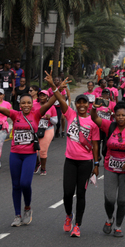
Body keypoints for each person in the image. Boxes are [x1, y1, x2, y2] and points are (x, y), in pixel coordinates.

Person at [0, 71, 61, 227]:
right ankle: (17, 215)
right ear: (19, 105)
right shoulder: (14, 115)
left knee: (25, 183)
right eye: (23, 103)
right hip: (15, 154)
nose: (26, 105)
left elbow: (54, 99)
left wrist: (53, 86)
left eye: (28, 103)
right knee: (15, 185)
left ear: (31, 104)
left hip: (29, 155)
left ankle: (27, 208)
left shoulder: (36, 114)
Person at [49, 73, 100, 238]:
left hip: (86, 163)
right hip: (70, 161)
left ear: (88, 105)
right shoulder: (70, 114)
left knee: (82, 194)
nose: (82, 105)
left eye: (84, 103)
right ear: (76, 104)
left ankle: (78, 225)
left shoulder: (93, 123)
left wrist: (97, 164)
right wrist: (55, 87)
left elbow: (95, 145)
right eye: (79, 102)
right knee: (67, 193)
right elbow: (60, 99)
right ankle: (69, 215)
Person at [91, 101, 125, 237]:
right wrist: (93, 108)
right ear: (114, 116)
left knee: (122, 200)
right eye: (118, 115)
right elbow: (94, 118)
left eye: (123, 115)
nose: (120, 118)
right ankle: (110, 219)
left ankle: (118, 226)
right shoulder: (109, 126)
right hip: (110, 168)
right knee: (109, 199)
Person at [34, 90, 58, 175]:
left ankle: (43, 168)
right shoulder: (34, 105)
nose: (42, 97)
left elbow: (55, 121)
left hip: (47, 129)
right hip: (35, 129)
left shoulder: (51, 107)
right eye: (40, 95)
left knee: (42, 150)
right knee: (34, 149)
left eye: (44, 95)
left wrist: (50, 118)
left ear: (48, 97)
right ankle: (37, 163)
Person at [0, 88, 12, 168]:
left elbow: (12, 114)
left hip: (2, 128)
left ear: (3, 95)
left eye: (0, 94)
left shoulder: (7, 104)